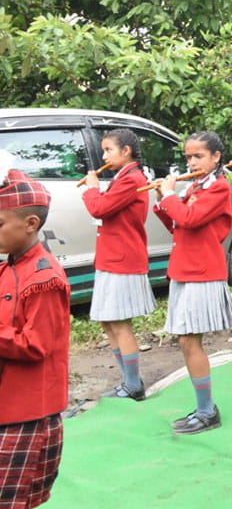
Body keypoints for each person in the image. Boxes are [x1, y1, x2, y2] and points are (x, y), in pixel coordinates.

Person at [153, 131, 232, 434]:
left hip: (202, 270)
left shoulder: (217, 188)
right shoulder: (196, 186)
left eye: (198, 156)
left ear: (216, 157)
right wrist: (161, 201)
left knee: (191, 340)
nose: (191, 162)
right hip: (185, 268)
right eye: (188, 157)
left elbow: (190, 219)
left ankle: (207, 411)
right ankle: (204, 408)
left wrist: (169, 197)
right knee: (185, 341)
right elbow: (178, 226)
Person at [0, 170, 69, 509]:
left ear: (30, 223)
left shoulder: (45, 278)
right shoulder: (7, 267)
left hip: (26, 414)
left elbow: (34, 345)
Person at [79, 128, 153, 399]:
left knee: (120, 324)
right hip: (111, 257)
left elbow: (99, 208)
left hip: (122, 258)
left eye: (109, 149)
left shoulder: (132, 178)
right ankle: (127, 380)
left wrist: (91, 191)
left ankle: (133, 385)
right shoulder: (123, 176)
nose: (103, 155)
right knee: (106, 322)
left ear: (126, 151)